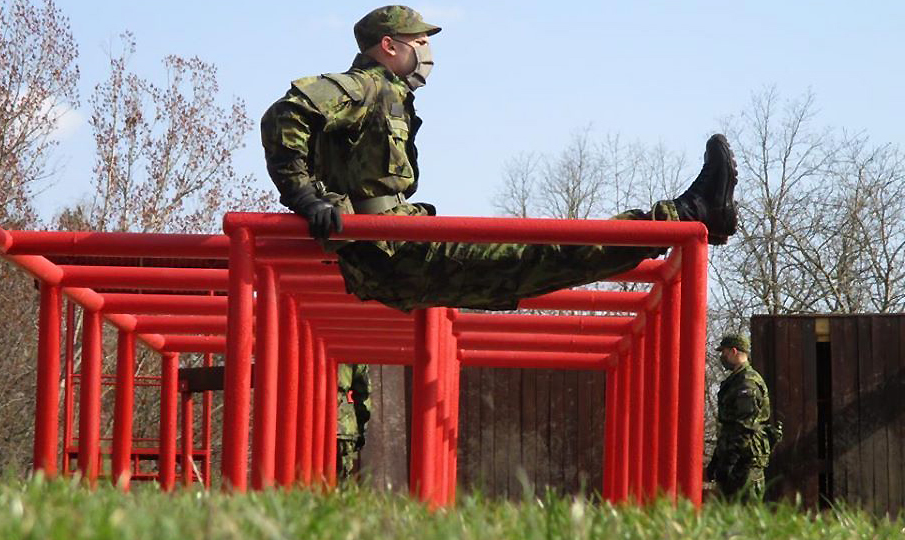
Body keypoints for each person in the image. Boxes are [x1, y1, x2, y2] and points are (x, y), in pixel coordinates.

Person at [260, 5, 739, 313]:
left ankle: (690, 217)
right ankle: (688, 214)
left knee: (546, 261)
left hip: (397, 245)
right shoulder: (365, 85)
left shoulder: (388, 94)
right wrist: (304, 196)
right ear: (389, 46)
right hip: (391, 251)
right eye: (419, 41)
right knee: (543, 253)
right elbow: (286, 113)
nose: (427, 52)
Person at [705, 334, 781, 501]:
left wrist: (728, 462)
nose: (722, 357)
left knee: (747, 511)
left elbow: (744, 427)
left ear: (733, 351)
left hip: (745, 461)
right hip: (736, 458)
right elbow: (728, 426)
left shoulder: (747, 383)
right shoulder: (736, 380)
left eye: (723, 352)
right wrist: (717, 460)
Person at [337, 363, 372, 480]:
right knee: (337, 483)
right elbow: (362, 394)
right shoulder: (350, 348)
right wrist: (360, 430)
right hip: (342, 425)